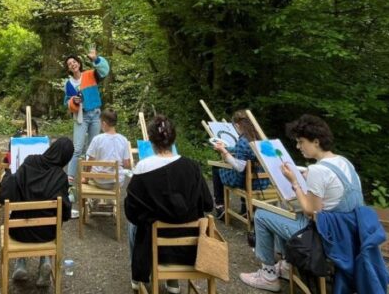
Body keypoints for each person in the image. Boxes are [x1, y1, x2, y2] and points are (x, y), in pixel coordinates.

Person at [240, 114, 365, 292]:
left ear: (315, 141)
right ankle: (285, 266)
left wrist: (294, 182)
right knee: (285, 211)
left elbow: (310, 212)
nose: (298, 147)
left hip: (325, 238)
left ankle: (268, 275)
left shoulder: (318, 170)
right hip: (349, 233)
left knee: (261, 214)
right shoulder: (344, 162)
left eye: (301, 142)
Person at [124, 115, 213, 294]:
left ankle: (138, 275)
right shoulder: (193, 167)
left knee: (134, 225)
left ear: (150, 140)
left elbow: (131, 211)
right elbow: (207, 203)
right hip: (189, 246)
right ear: (173, 138)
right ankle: (173, 281)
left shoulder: (143, 167)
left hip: (154, 244)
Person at [0, 137, 74, 287]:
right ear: (66, 158)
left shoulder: (30, 161)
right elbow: (65, 215)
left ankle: (21, 264)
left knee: (27, 215)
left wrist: (7, 175)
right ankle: (45, 260)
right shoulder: (60, 176)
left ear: (52, 148)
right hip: (47, 235)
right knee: (47, 222)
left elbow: (8, 194)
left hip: (18, 232)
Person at [210, 110, 269, 219]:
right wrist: (226, 147)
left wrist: (223, 151)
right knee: (245, 170)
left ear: (237, 125)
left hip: (247, 183)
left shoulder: (243, 141)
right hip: (263, 182)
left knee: (216, 168)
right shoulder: (259, 137)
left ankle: (219, 206)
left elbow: (239, 167)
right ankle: (244, 207)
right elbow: (244, 151)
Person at [64, 48, 110, 184]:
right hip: (81, 116)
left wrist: (96, 59)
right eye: (69, 64)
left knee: (92, 148)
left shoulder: (90, 74)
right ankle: (69, 181)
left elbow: (105, 71)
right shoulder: (69, 84)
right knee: (77, 148)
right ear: (69, 69)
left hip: (95, 115)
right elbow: (66, 102)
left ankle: (88, 178)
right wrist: (74, 101)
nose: (73, 64)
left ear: (79, 63)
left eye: (74, 61)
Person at [82, 108, 131, 189]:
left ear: (104, 123)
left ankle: (92, 193)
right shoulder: (123, 139)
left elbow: (90, 161)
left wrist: (86, 178)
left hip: (100, 181)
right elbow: (126, 164)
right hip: (118, 181)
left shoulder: (97, 139)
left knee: (88, 157)